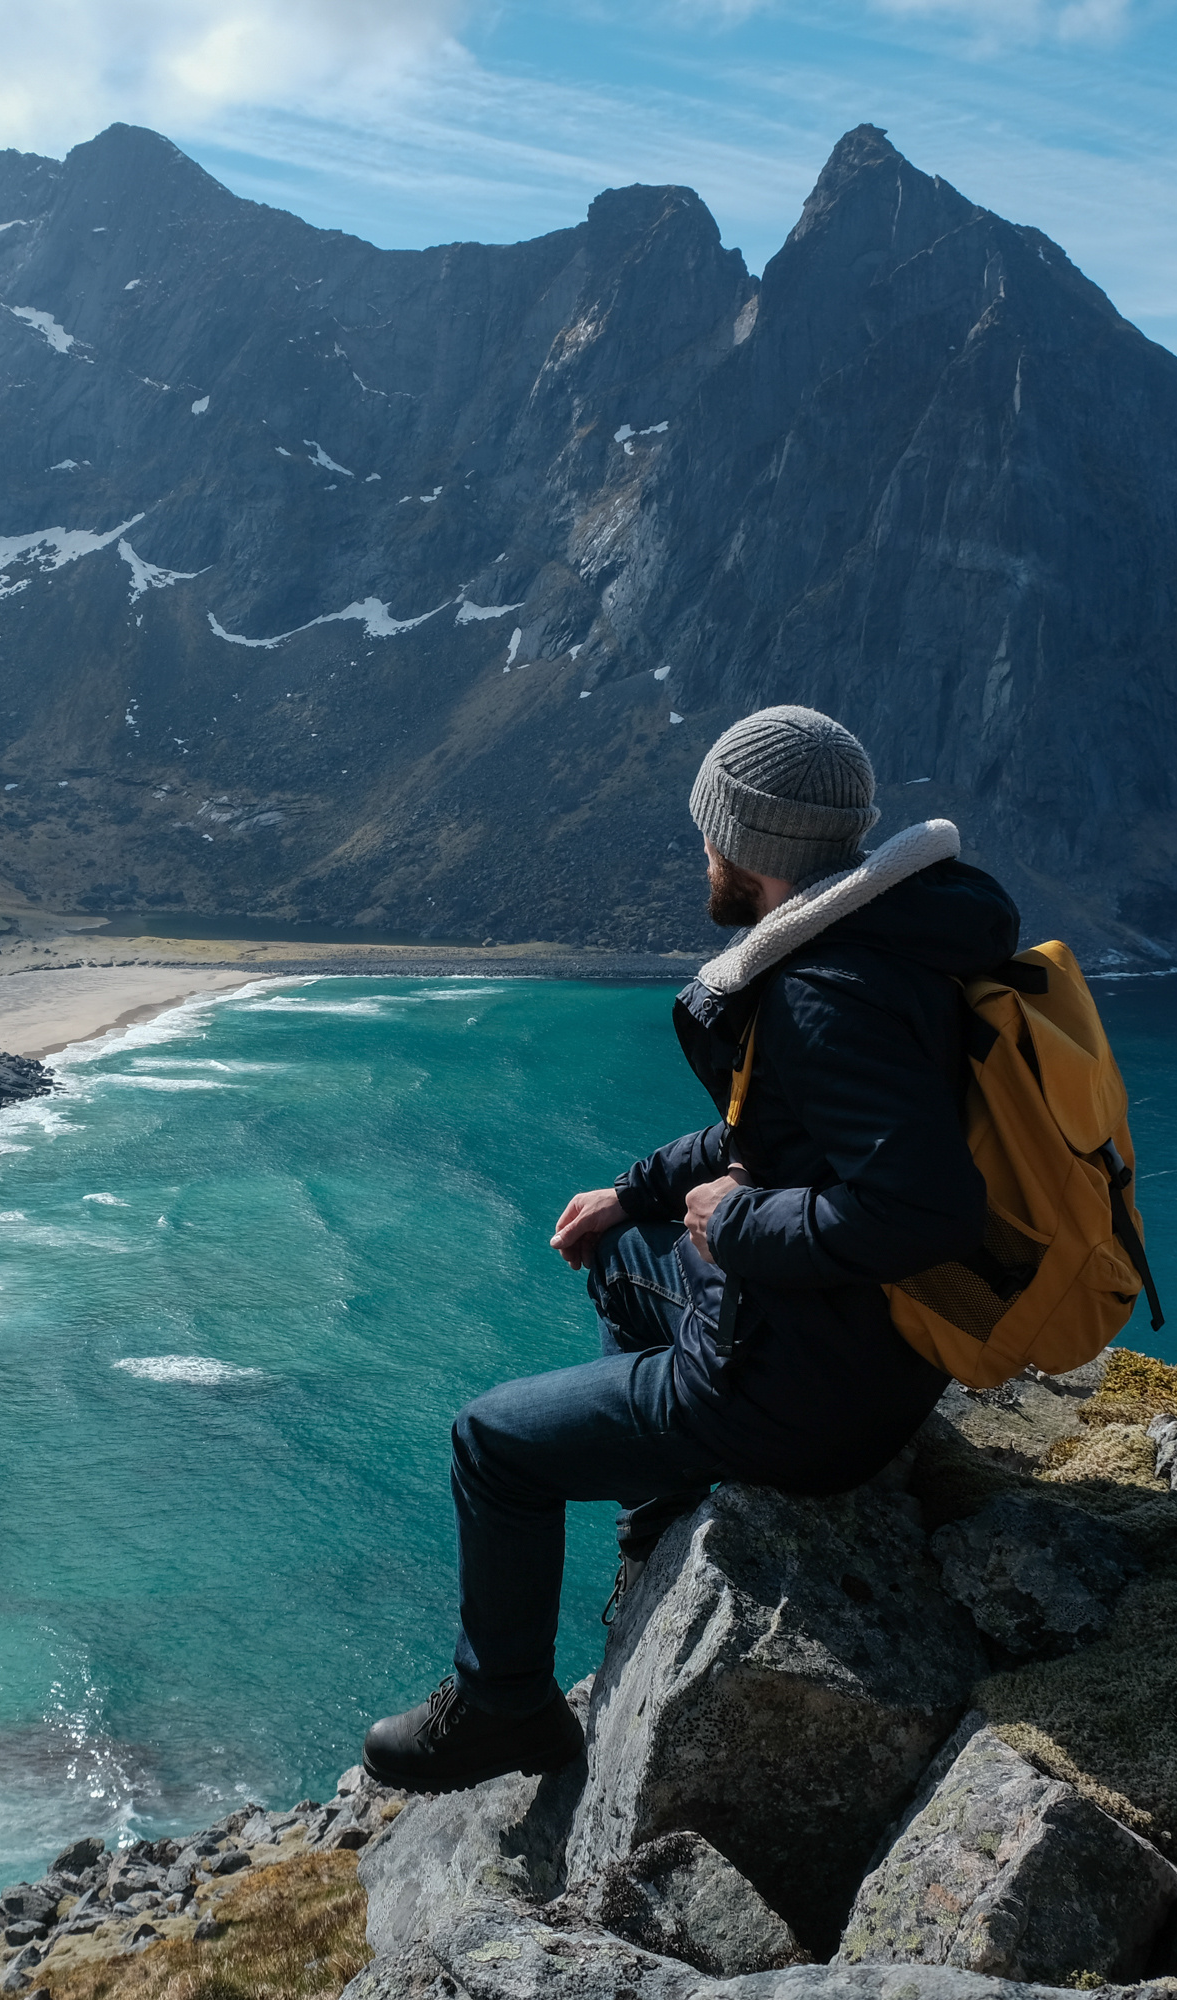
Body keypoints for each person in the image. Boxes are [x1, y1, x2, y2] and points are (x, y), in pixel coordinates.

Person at [359, 704, 1022, 1792]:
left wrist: (729, 1219)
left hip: (799, 1398)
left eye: (710, 832)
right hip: (871, 1354)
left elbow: (922, 1209)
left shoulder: (822, 992)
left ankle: (502, 1705)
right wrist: (635, 1193)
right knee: (619, 1257)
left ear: (751, 846)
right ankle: (660, 1518)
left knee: (490, 1441)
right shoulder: (891, 939)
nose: (701, 852)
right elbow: (782, 1130)